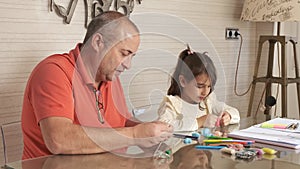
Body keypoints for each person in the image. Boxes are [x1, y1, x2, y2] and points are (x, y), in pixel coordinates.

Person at [21, 11, 173, 160]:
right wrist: (135, 135)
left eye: (132, 56)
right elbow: (59, 140)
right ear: (98, 42)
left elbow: (123, 122)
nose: (128, 65)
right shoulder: (54, 71)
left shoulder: (109, 76)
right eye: (124, 53)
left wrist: (150, 135)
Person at [157, 46, 240, 132]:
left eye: (209, 86)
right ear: (183, 81)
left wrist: (229, 116)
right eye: (200, 86)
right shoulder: (172, 104)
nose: (205, 92)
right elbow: (162, 127)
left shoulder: (207, 101)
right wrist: (199, 121)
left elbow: (234, 112)